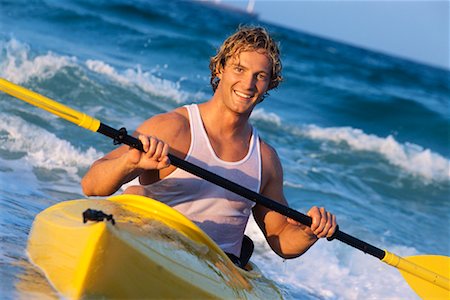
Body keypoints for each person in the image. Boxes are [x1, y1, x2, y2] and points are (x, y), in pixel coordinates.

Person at [81, 26, 337, 266]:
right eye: (239, 69)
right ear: (219, 69)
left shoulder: (265, 159)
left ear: (269, 84)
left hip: (216, 270)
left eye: (259, 76)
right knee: (135, 197)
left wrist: (308, 232)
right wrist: (130, 163)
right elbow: (92, 185)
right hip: (153, 250)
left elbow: (281, 238)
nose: (248, 84)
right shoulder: (174, 128)